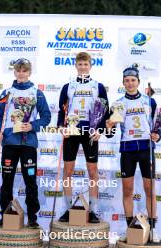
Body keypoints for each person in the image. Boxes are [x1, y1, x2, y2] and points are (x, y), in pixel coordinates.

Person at [106, 66, 161, 242]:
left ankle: (152, 229)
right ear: (123, 83)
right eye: (127, 80)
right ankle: (130, 228)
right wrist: (109, 127)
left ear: (138, 82)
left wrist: (157, 135)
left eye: (133, 80)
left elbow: (157, 127)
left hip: (147, 149)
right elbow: (109, 132)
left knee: (149, 189)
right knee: (128, 190)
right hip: (128, 150)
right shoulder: (117, 104)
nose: (130, 83)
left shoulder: (149, 101)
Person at [0, 58, 51, 228]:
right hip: (10, 143)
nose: (21, 73)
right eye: (18, 70)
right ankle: (5, 215)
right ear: (14, 72)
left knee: (30, 180)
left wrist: (32, 125)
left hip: (28, 144)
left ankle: (32, 217)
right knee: (7, 181)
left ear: (29, 72)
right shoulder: (7, 92)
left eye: (24, 70)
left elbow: (46, 117)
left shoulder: (37, 93)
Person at [57, 52, 111, 223]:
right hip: (72, 132)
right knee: (68, 172)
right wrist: (60, 127)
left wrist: (100, 130)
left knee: (93, 172)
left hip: (90, 132)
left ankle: (93, 210)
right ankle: (67, 209)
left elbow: (105, 111)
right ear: (76, 66)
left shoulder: (98, 86)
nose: (83, 67)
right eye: (80, 64)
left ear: (90, 65)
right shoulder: (68, 86)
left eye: (85, 64)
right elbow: (61, 110)